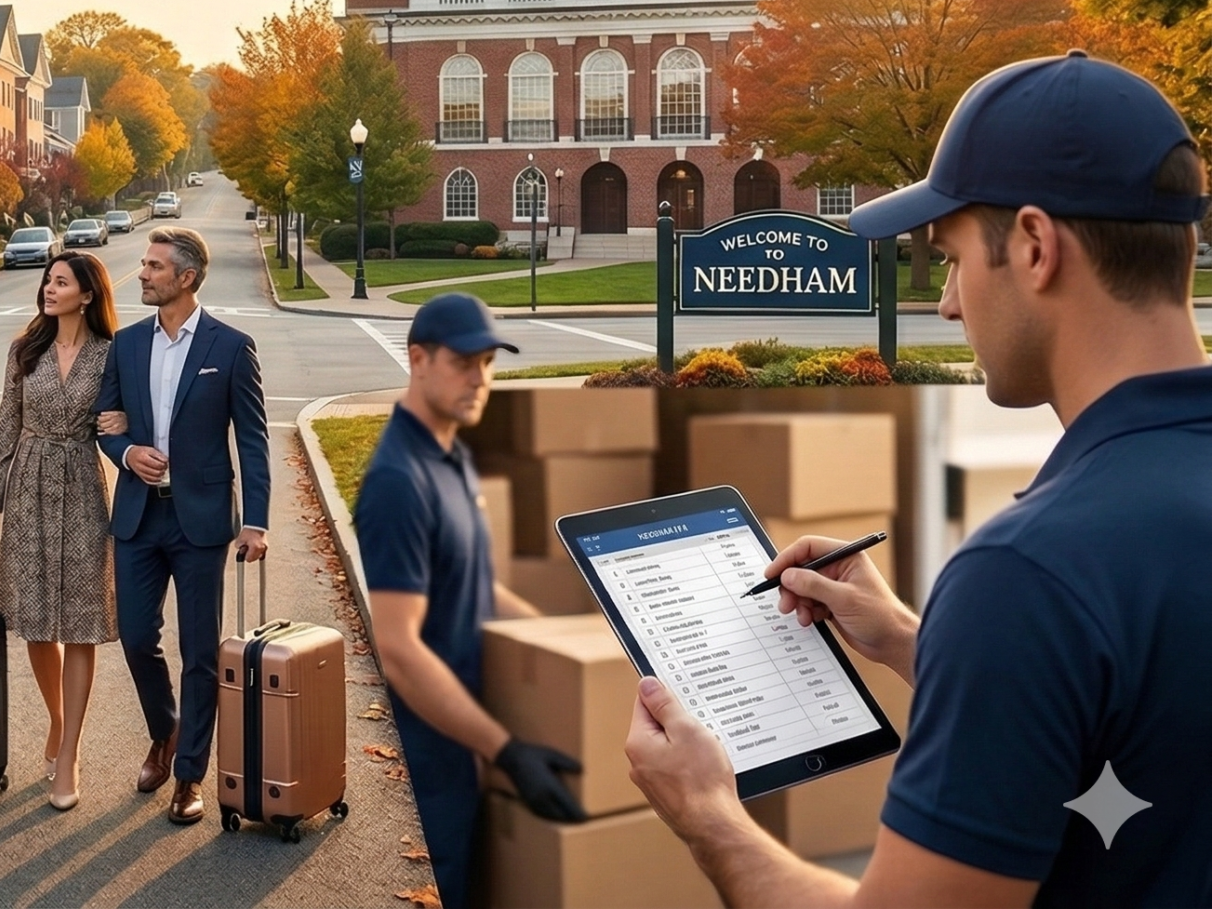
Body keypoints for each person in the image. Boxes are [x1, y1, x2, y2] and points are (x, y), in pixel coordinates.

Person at [626, 51, 1212, 907]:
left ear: (1036, 247)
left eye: (952, 258)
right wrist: (912, 638)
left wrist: (707, 811)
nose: (946, 303)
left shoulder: (1031, 574)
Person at [356, 292, 588, 909]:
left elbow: (477, 586)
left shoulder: (450, 453)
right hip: (439, 756)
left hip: (478, 734)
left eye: (487, 363)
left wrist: (573, 650)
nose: (479, 379)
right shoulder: (398, 482)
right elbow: (400, 649)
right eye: (463, 363)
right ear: (418, 359)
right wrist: (504, 749)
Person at [93, 225, 268, 826]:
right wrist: (126, 454)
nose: (141, 274)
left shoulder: (230, 346)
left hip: (201, 522)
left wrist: (258, 522)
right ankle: (165, 731)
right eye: (143, 265)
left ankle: (190, 774)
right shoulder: (126, 343)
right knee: (137, 637)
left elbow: (253, 439)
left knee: (200, 652)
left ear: (186, 278)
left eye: (153, 266)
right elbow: (107, 423)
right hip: (139, 516)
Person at [0, 251, 119, 811]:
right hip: (28, 484)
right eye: (47, 281)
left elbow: (126, 418)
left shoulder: (110, 355)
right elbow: (7, 425)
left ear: (87, 294)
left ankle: (69, 752)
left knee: (79, 624)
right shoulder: (24, 351)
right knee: (34, 623)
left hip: (81, 486)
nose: (49, 290)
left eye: (60, 282)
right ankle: (57, 720)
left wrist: (123, 424)